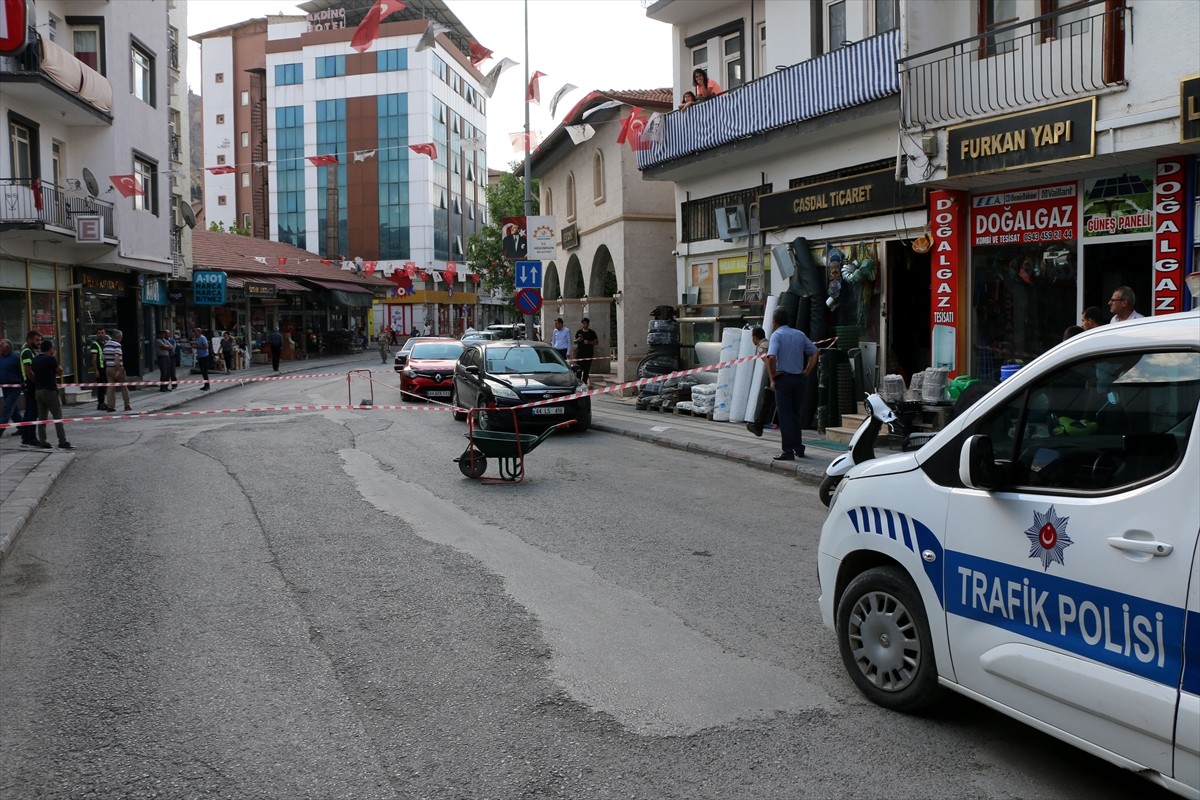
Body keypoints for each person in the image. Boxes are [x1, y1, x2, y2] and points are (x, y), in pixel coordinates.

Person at [765, 308, 818, 460]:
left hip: (784, 380)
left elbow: (771, 356)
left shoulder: (777, 335)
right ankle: (799, 448)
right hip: (798, 380)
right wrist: (807, 370)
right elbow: (815, 352)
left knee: (785, 417)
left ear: (774, 322)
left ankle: (787, 451)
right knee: (796, 415)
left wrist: (773, 376)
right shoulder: (799, 334)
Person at [31, 339, 72, 450]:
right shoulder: (50, 358)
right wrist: (54, 357)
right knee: (57, 417)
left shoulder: (35, 359)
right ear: (50, 349)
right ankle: (62, 441)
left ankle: (43, 441)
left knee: (42, 418)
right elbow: (60, 371)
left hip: (38, 390)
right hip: (50, 390)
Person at [746, 326, 776, 437]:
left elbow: (769, 364)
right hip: (784, 373)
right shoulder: (770, 343)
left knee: (767, 401)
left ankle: (758, 427)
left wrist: (772, 379)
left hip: (775, 375)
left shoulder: (761, 348)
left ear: (754, 337)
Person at [18, 331, 42, 448]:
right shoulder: (27, 351)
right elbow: (28, 370)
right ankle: (31, 437)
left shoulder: (29, 351)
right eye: (37, 340)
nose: (39, 343)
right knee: (32, 413)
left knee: (29, 412)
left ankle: (26, 437)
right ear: (30, 339)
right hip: (30, 385)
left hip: (29, 385)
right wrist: (37, 382)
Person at [104, 329, 133, 410]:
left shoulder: (106, 345)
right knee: (123, 387)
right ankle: (127, 405)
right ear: (119, 336)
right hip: (117, 368)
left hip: (108, 368)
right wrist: (117, 370)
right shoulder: (117, 345)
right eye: (121, 337)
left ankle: (110, 406)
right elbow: (116, 357)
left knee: (110, 387)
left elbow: (104, 357)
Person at [0, 339, 22, 432]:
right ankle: (23, 428)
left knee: (7, 409)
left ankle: (0, 429)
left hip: (15, 387)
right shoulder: (1, 357)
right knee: (14, 411)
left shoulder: (16, 357)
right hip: (5, 387)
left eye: (1, 345)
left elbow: (22, 371)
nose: (0, 347)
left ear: (7, 347)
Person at [572, 317, 600, 384]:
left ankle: (584, 382)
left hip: (588, 354)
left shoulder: (592, 332)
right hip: (580, 354)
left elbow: (596, 342)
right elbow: (574, 341)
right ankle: (578, 383)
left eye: (586, 323)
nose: (584, 325)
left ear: (588, 324)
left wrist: (589, 342)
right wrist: (578, 340)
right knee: (579, 369)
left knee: (586, 370)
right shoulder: (579, 332)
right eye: (583, 323)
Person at [89, 329, 110, 411]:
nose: (101, 334)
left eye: (102, 333)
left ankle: (103, 402)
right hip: (100, 369)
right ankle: (100, 403)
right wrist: (96, 370)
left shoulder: (105, 343)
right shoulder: (95, 344)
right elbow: (94, 359)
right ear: (97, 334)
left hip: (106, 368)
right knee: (101, 387)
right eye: (99, 333)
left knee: (105, 386)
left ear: (105, 334)